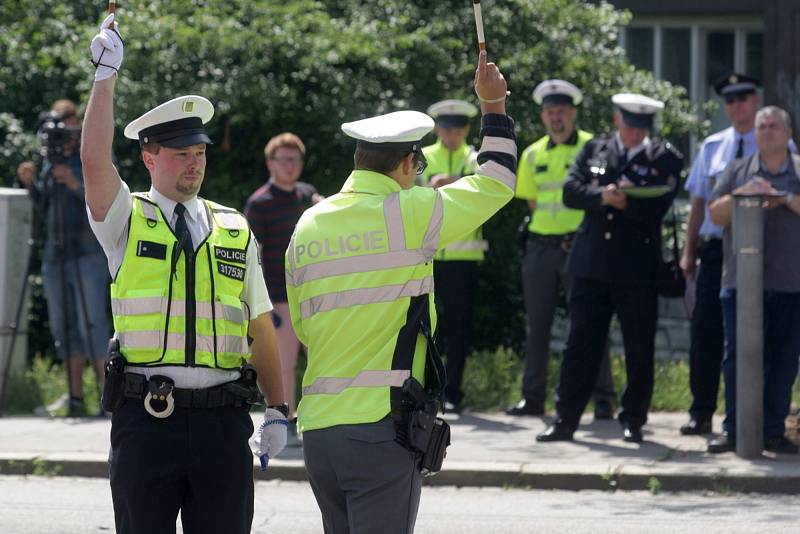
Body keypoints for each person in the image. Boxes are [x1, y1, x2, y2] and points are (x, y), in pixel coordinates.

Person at [286, 50, 516, 533]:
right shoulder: (409, 213)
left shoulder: (309, 222)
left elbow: (305, 326)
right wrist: (494, 107)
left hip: (319, 432)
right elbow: (496, 181)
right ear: (409, 162)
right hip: (380, 430)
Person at [81, 15, 287, 533]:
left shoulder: (233, 226)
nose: (194, 165)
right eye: (180, 156)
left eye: (199, 154)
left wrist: (281, 408)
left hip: (223, 422)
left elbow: (260, 325)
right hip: (148, 419)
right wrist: (104, 79)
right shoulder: (127, 219)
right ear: (150, 159)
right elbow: (93, 162)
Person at [537, 93, 683, 444]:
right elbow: (571, 192)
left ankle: (633, 418)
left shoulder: (664, 157)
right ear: (618, 120)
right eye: (629, 127)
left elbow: (660, 206)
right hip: (591, 265)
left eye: (641, 130)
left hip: (636, 268)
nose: (634, 135)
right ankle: (566, 418)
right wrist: (604, 197)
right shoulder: (595, 150)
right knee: (580, 344)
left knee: (638, 347)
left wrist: (627, 201)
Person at [507, 79, 616, 418]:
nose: (557, 118)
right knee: (536, 326)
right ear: (543, 117)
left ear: (573, 113)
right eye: (551, 112)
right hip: (541, 248)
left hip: (581, 246)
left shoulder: (594, 147)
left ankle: (602, 399)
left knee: (590, 324)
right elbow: (532, 202)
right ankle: (533, 397)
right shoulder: (532, 153)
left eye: (562, 112)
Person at [706, 106, 800, 455]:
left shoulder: (798, 170)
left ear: (789, 133)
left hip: (791, 283)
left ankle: (773, 432)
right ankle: (735, 429)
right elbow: (715, 214)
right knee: (738, 359)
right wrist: (746, 193)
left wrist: (785, 199)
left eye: (774, 126)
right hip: (741, 285)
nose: (767, 131)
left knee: (784, 360)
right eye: (761, 127)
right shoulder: (738, 170)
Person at [679, 73, 762, 436]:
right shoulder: (713, 146)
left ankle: (747, 416)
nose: (737, 106)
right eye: (730, 100)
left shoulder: (773, 141)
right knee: (706, 333)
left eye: (743, 98)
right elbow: (698, 204)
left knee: (750, 336)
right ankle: (701, 411)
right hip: (715, 251)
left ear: (755, 100)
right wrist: (688, 253)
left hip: (759, 250)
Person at [16, 99, 111, 417]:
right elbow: (44, 203)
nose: (63, 134)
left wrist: (74, 184)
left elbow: (107, 199)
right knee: (64, 325)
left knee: (94, 323)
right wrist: (32, 184)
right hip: (55, 255)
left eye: (67, 125)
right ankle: (74, 398)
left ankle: (106, 399)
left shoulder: (91, 157)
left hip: (88, 253)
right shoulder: (50, 159)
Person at [244, 132, 322, 442]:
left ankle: (318, 419)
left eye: (295, 160)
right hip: (278, 298)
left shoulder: (308, 196)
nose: (290, 166)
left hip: (312, 294)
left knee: (321, 359)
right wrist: (263, 305)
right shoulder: (258, 203)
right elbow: (254, 258)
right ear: (270, 163)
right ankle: (285, 420)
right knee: (284, 364)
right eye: (284, 160)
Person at [419, 99, 483, 413]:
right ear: (437, 129)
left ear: (467, 129)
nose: (452, 134)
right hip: (426, 257)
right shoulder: (423, 157)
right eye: (446, 128)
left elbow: (483, 190)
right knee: (423, 327)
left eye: (458, 129)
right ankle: (425, 389)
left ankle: (454, 392)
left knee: (459, 328)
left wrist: (450, 183)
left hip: (462, 259)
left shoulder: (475, 158)